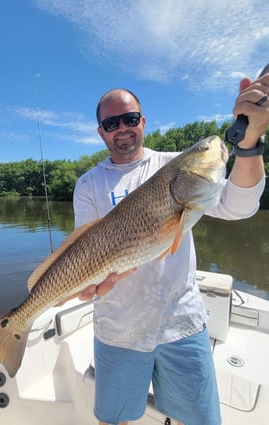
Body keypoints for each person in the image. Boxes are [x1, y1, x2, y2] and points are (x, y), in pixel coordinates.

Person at [73, 72, 269, 425]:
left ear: (143, 122)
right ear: (101, 131)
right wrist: (85, 285)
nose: (123, 128)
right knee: (112, 420)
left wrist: (250, 141)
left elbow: (239, 206)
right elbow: (84, 250)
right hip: (118, 328)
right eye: (111, 122)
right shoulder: (88, 184)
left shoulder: (173, 165)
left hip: (183, 323)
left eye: (130, 119)